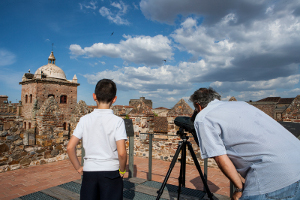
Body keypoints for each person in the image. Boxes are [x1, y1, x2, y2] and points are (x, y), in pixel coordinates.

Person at [189, 87, 300, 200]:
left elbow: (219, 157)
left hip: (271, 178)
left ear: (198, 105)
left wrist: (239, 189)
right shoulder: (242, 104)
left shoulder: (204, 117)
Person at [67, 79, 127, 200]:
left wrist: (79, 167)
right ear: (114, 99)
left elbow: (70, 147)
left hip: (89, 172)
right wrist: (122, 170)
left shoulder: (84, 119)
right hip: (111, 172)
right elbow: (121, 153)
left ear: (94, 96)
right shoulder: (118, 121)